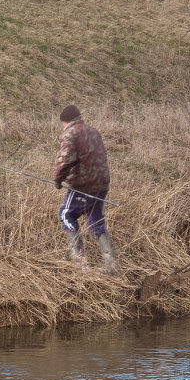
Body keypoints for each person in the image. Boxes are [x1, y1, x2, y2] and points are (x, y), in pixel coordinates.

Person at [53, 104, 119, 275]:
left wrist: (58, 179)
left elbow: (66, 160)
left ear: (65, 122)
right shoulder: (93, 131)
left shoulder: (70, 133)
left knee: (66, 214)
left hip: (83, 186)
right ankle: (111, 264)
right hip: (102, 184)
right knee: (95, 221)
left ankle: (79, 262)